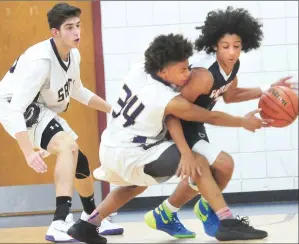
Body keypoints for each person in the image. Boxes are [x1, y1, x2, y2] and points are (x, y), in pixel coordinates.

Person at [66, 33, 271, 244]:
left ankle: (87, 225)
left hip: (112, 144)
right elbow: (208, 116)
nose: (188, 74)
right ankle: (227, 223)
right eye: (182, 70)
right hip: (133, 152)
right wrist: (240, 122)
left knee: (135, 186)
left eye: (188, 68)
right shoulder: (165, 97)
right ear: (163, 71)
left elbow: (184, 112)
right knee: (198, 163)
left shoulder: (140, 70)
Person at [145, 6, 298, 241]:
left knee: (214, 170)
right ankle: (211, 210)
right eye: (226, 46)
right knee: (223, 165)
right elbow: (173, 111)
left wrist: (269, 88)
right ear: (215, 45)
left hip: (195, 123)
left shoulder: (232, 67)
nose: (232, 52)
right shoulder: (203, 74)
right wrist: (184, 151)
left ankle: (168, 212)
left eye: (237, 46)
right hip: (177, 125)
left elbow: (230, 96)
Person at [0, 3, 123, 243]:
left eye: (78, 26)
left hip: (36, 105)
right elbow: (16, 109)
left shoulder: (73, 54)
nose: (76, 32)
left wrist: (112, 109)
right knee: (67, 146)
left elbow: (78, 90)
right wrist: (27, 152)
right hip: (13, 105)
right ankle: (59, 222)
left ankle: (91, 217)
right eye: (69, 28)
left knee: (80, 161)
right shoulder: (41, 61)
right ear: (55, 32)